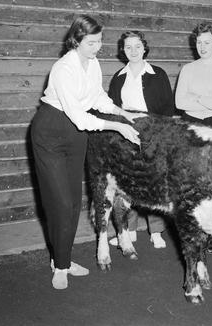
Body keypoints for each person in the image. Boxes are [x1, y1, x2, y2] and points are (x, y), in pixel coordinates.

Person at [31, 15, 143, 290]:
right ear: (76, 40)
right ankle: (60, 265)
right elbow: (81, 117)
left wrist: (121, 111)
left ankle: (63, 259)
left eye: (100, 41)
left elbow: (97, 98)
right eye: (92, 42)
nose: (98, 47)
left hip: (75, 135)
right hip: (51, 132)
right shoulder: (63, 69)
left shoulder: (92, 64)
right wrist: (116, 126)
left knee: (73, 202)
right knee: (59, 202)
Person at [107, 30, 175, 249]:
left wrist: (162, 136)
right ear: (123, 50)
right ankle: (131, 229)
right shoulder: (119, 77)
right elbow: (113, 110)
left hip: (154, 134)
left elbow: (167, 108)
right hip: (127, 135)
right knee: (130, 182)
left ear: (145, 48)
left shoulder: (158, 74)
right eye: (128, 47)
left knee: (154, 181)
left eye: (137, 46)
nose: (133, 51)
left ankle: (156, 230)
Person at [175, 21, 212, 130]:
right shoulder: (187, 69)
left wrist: (196, 97)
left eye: (207, 43)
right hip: (190, 122)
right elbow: (179, 103)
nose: (202, 47)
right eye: (199, 42)